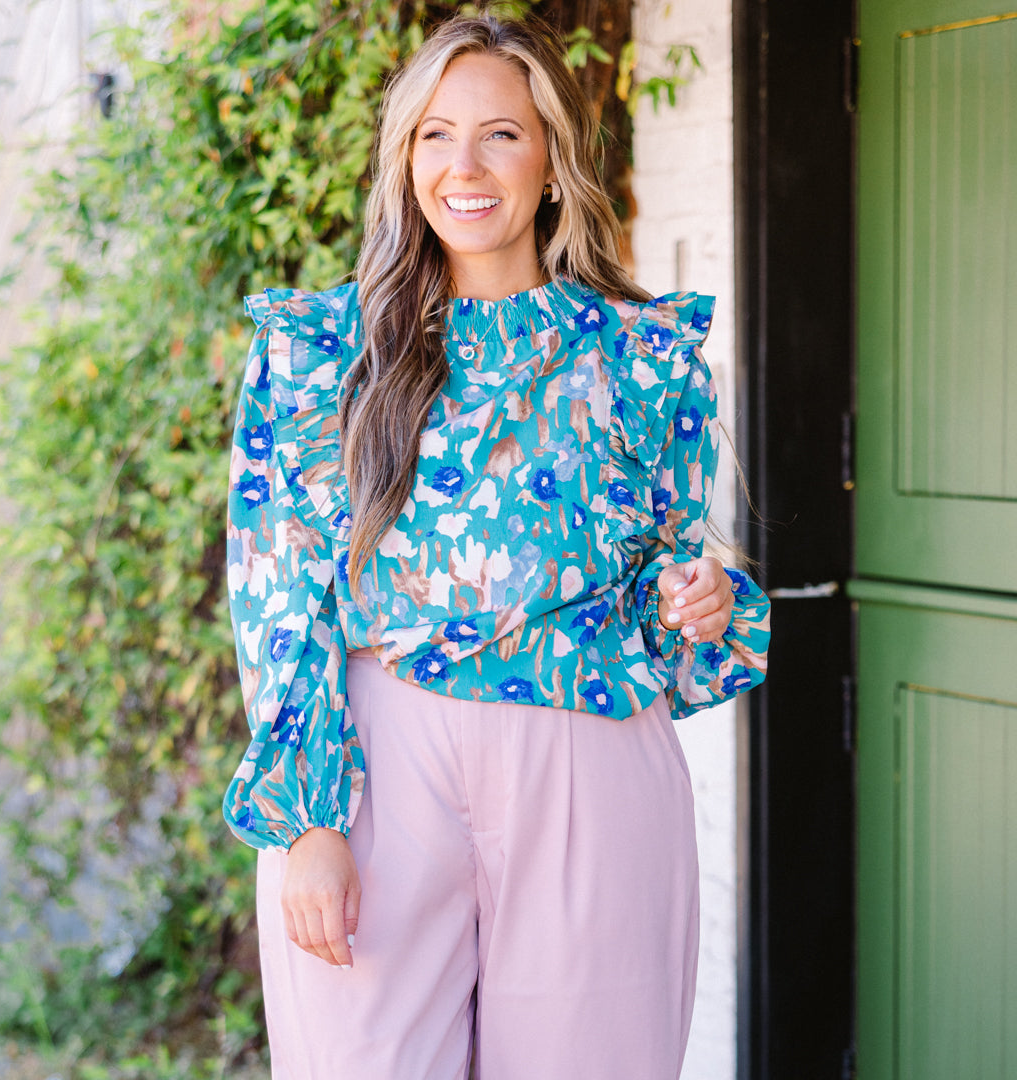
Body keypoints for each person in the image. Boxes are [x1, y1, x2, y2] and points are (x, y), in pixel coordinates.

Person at [223, 12, 770, 1080]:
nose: (463, 166)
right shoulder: (322, 352)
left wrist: (701, 598)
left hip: (587, 757)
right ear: (404, 159)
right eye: (434, 134)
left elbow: (670, 589)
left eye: (501, 135)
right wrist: (307, 822)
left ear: (554, 161)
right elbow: (279, 590)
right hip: (378, 763)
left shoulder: (638, 355)